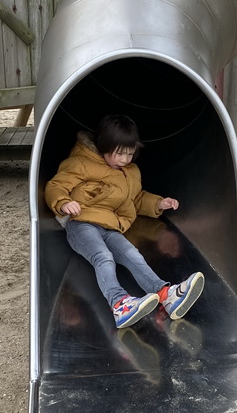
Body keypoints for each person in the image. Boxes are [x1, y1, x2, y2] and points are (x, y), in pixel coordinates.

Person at [45, 114, 204, 329]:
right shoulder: (82, 163)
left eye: (129, 154)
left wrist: (158, 203)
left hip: (111, 227)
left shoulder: (130, 172)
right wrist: (64, 203)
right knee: (103, 257)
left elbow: (136, 199)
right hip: (81, 223)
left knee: (133, 255)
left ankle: (166, 295)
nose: (124, 160)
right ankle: (119, 304)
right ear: (104, 146)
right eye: (119, 153)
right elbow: (56, 186)